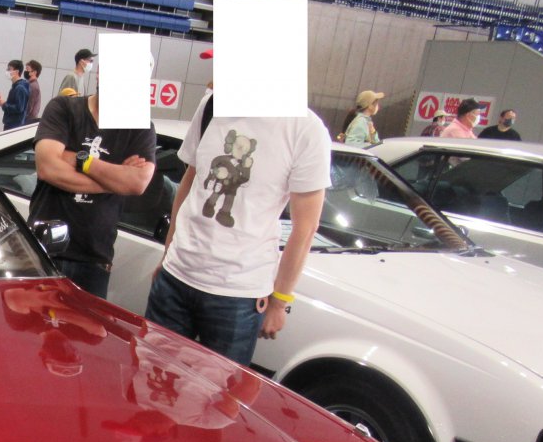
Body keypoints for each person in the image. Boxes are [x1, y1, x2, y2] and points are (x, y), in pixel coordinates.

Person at [142, 89, 331, 365]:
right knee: (151, 381)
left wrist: (279, 301)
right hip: (175, 279)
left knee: (218, 400)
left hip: (237, 296)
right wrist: (168, 253)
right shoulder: (212, 104)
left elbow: (306, 227)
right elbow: (190, 182)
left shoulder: (304, 129)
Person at [28, 78, 157, 298]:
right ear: (99, 73)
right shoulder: (64, 108)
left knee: (84, 332)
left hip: (94, 261)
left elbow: (137, 183)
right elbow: (48, 168)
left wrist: (82, 161)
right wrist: (114, 181)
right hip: (42, 250)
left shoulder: (140, 127)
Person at [0, 60, 30, 131]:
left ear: (17, 71)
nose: (7, 71)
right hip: (11, 125)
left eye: (9, 69)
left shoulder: (20, 88)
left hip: (14, 126)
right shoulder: (16, 86)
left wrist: (4, 104)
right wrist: (2, 103)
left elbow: (19, 108)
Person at [24, 59, 43, 124]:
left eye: (27, 69)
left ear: (34, 72)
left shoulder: (33, 86)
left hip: (27, 122)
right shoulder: (30, 85)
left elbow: (29, 107)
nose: (25, 71)